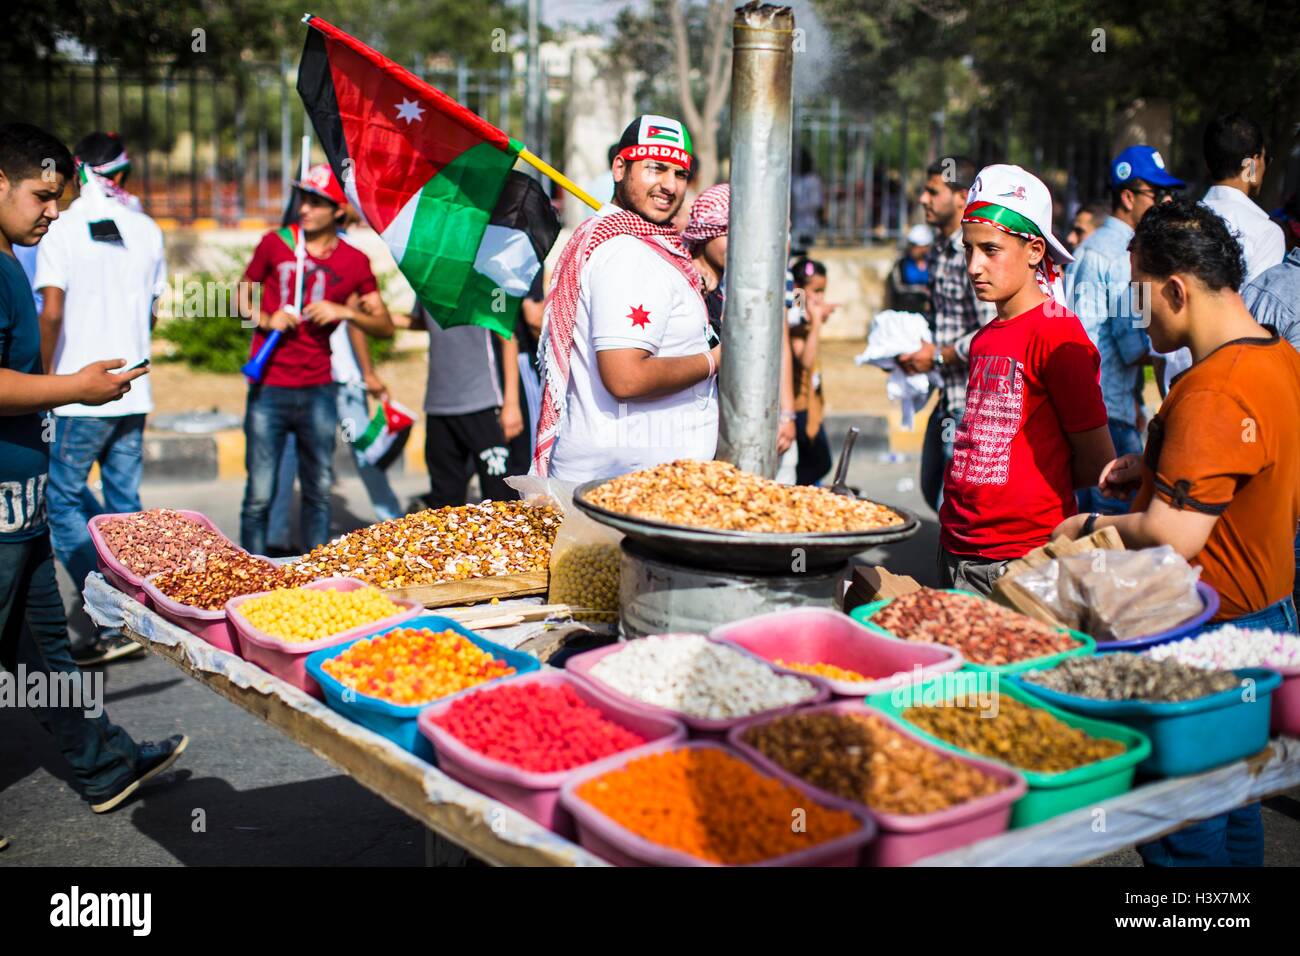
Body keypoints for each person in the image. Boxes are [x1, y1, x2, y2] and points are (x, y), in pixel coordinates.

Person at [1054, 201, 1300, 867]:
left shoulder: (1215, 391)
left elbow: (1172, 536)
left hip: (1203, 637)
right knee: (1234, 803)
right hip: (1267, 620)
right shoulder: (1278, 357)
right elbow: (1244, 471)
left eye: (1142, 297)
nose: (1138, 317)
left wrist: (1088, 524)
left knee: (1181, 832)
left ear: (1174, 289)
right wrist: (1159, 463)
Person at [0, 122, 187, 827]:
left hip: (24, 514)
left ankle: (104, 764)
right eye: (43, 196)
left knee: (47, 660)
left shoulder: (19, 259)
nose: (54, 212)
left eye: (60, 196)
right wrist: (69, 388)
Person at [937, 164, 1114, 594]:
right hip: (957, 547)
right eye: (968, 250)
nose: (975, 266)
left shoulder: (1057, 334)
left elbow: (1096, 461)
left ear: (1035, 250)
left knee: (1003, 664)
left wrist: (1024, 491)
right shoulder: (983, 338)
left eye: (991, 250)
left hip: (1019, 559)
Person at [32, 132, 164, 665]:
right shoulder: (147, 228)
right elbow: (153, 311)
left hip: (77, 394)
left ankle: (106, 618)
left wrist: (41, 382)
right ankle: (134, 613)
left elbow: (53, 311)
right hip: (133, 389)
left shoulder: (60, 229)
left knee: (61, 500)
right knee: (124, 508)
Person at [532, 115, 718, 481]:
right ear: (620, 167)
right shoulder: (627, 254)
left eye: (680, 174)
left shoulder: (638, 243)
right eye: (656, 168)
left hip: (635, 481)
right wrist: (717, 360)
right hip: (627, 488)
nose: (669, 185)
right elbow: (626, 378)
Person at [237, 163, 393, 555]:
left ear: (338, 210)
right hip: (269, 385)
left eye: (316, 202)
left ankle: (313, 577)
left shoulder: (355, 261)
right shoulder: (276, 243)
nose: (304, 208)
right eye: (303, 199)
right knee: (259, 492)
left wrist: (345, 313)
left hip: (319, 390)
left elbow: (384, 324)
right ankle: (250, 575)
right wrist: (265, 317)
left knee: (319, 490)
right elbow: (240, 294)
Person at [1065, 146, 1182, 515]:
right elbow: (1135, 344)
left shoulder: (1091, 246)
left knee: (1078, 529)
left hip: (1085, 406)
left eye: (1168, 193)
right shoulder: (1126, 255)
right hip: (1111, 412)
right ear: (1128, 197)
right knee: (1113, 540)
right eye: (1156, 194)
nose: (1165, 201)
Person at [1158, 113, 1285, 392]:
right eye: (1265, 160)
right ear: (1252, 164)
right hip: (1232, 383)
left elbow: (1147, 298)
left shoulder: (1172, 223)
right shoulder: (1266, 233)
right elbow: (1259, 316)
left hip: (1174, 382)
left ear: (1207, 164)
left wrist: (1160, 364)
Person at [901, 156, 997, 513]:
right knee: (932, 490)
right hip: (946, 396)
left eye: (932, 191)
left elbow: (992, 333)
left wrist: (940, 355)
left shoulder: (972, 254)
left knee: (953, 508)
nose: (923, 199)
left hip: (973, 404)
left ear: (961, 198)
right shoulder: (941, 249)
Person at [681, 182, 796, 474]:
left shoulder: (740, 283)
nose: (739, 243)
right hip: (689, 431)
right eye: (727, 232)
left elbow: (776, 343)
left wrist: (786, 414)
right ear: (705, 231)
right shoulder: (682, 284)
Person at [403, 298, 521, 508]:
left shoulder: (481, 278)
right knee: (444, 499)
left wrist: (512, 404)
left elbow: (508, 338)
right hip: (438, 406)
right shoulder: (427, 282)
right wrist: (370, 316)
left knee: (500, 498)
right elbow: (421, 322)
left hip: (482, 403)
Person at [789, 257, 835, 485]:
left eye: (823, 291)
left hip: (811, 401)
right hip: (799, 404)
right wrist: (816, 322)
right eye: (815, 291)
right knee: (820, 462)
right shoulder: (795, 319)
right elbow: (805, 360)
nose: (820, 298)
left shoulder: (802, 315)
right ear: (799, 290)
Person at [886, 224, 932, 315]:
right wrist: (921, 290)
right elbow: (898, 287)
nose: (914, 249)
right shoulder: (902, 263)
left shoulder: (932, 263)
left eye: (917, 246)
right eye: (913, 245)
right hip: (905, 311)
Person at [790, 148, 824, 255]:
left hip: (808, 223)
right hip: (795, 223)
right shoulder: (792, 178)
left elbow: (817, 204)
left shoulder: (813, 179)